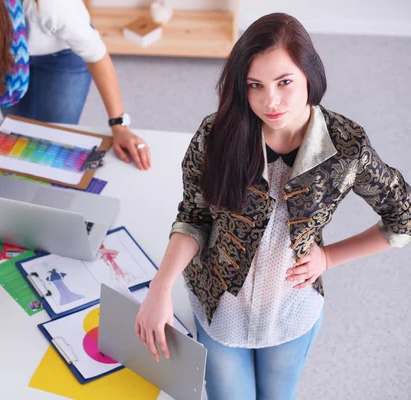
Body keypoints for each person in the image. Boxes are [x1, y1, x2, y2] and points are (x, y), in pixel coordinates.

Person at [135, 13, 411, 400]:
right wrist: (159, 288)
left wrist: (328, 258)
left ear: (309, 76)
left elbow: (404, 217)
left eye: (285, 82)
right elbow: (194, 217)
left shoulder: (347, 148)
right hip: (221, 309)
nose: (271, 101)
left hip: (291, 309)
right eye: (255, 85)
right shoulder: (216, 136)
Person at [0, 0, 151, 195]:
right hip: (1, 55)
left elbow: (97, 55)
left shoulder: (50, 6)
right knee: (20, 137)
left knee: (52, 140)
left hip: (60, 56)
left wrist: (119, 125)